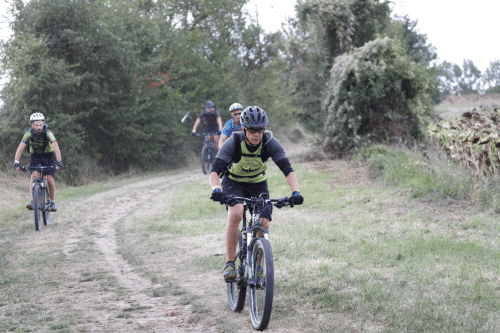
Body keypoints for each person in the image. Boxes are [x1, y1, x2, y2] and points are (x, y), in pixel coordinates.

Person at [208, 106, 304, 280]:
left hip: (258, 185)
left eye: (260, 130)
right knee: (236, 213)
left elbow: (287, 169)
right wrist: (216, 189)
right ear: (244, 129)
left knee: (263, 222)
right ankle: (230, 264)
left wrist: (295, 192)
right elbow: (215, 170)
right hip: (233, 182)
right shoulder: (234, 142)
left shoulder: (269, 143)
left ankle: (258, 265)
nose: (256, 135)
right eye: (252, 131)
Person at [14, 112, 62, 212]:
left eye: (41, 125)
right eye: (37, 125)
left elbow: (55, 146)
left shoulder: (48, 132)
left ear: (43, 124)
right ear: (32, 125)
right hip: (35, 156)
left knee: (49, 179)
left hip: (48, 156)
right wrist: (16, 162)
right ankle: (33, 201)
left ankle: (52, 202)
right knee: (34, 176)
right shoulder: (28, 133)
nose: (39, 127)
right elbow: (20, 148)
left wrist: (58, 161)